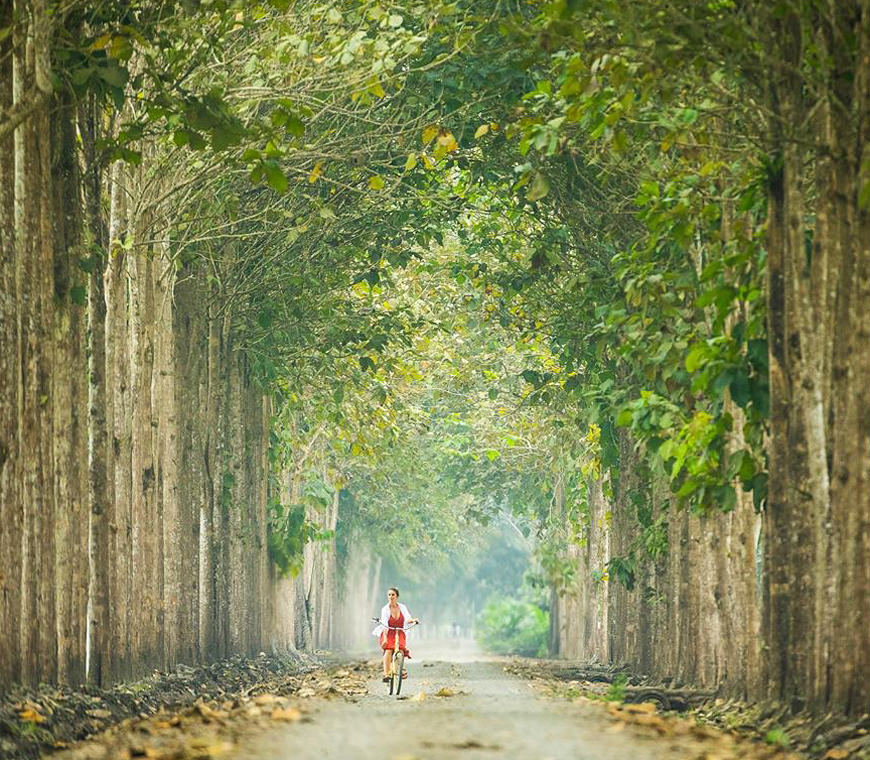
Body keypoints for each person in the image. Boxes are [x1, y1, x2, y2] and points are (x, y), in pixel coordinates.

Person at [372, 587, 418, 681]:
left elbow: (408, 618)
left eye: (393, 594)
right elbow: (385, 625)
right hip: (388, 632)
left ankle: (401, 668)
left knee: (400, 650)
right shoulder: (385, 609)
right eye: (389, 595)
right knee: (388, 650)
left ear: (397, 596)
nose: (391, 596)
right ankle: (386, 674)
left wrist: (414, 620)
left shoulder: (402, 607)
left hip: (400, 631)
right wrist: (385, 638)